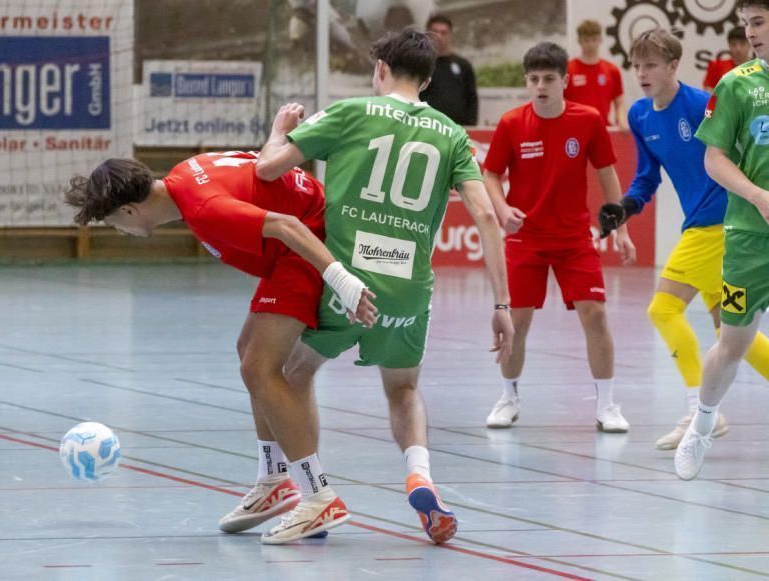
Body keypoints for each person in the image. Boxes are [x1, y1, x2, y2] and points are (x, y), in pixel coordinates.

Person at [255, 28, 514, 544]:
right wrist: (501, 303)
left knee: (292, 373)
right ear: (428, 79)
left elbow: (267, 170)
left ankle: (311, 494)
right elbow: (486, 215)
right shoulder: (451, 134)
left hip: (344, 281)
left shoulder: (350, 113)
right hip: (407, 288)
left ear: (380, 70)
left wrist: (280, 130)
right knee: (404, 389)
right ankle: (420, 475)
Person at [64, 151, 378, 542]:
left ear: (129, 210)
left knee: (258, 367)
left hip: (311, 241)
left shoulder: (204, 208)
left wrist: (343, 282)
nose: (118, 230)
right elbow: (260, 169)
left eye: (112, 222)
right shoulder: (185, 173)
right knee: (248, 349)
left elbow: (287, 225)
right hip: (296, 243)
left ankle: (318, 496)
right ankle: (274, 480)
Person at [599, 28, 769, 451]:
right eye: (636, 65)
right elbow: (646, 177)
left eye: (651, 65)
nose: (641, 73)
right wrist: (625, 208)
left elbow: (730, 157)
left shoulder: (700, 105)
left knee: (663, 309)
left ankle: (699, 409)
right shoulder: (640, 115)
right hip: (699, 225)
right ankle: (704, 411)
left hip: (721, 223)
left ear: (674, 66)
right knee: (735, 335)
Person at [483, 42, 636, 433]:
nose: (541, 86)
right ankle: (508, 397)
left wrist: (620, 227)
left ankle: (607, 405)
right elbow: (491, 174)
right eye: (534, 79)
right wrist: (502, 210)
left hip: (574, 239)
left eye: (549, 79)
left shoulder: (588, 120)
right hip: (525, 240)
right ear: (526, 82)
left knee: (596, 314)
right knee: (516, 321)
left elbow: (607, 174)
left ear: (565, 81)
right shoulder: (511, 123)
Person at [674, 0, 769, 480]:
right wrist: (758, 196)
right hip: (750, 238)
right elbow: (714, 159)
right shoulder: (736, 85)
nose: (749, 32)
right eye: (745, 23)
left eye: (758, 22)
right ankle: (702, 423)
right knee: (733, 343)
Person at [565, 19, 628, 130]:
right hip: (574, 130)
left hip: (603, 129)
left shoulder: (612, 70)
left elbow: (619, 103)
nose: (590, 45)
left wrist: (622, 121)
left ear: (600, 40)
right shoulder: (568, 69)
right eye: (586, 40)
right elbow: (560, 102)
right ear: (579, 41)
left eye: (594, 40)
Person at [419, 13, 478, 126]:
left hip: (457, 128)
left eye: (443, 32)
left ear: (450, 35)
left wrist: (471, 125)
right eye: (435, 32)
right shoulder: (420, 65)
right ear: (427, 34)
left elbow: (472, 98)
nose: (439, 36)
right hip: (427, 127)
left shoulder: (463, 65)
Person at [702, 26, 751, 91]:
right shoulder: (717, 67)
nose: (738, 49)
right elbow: (708, 91)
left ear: (750, 44)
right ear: (729, 45)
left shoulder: (759, 67)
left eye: (742, 44)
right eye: (733, 44)